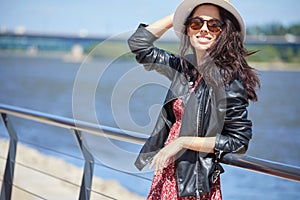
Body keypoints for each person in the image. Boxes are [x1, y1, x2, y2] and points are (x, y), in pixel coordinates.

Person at [127, 0, 260, 199]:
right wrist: (178, 16)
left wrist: (183, 142)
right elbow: (139, 44)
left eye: (213, 25)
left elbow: (239, 141)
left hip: (193, 184)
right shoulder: (185, 68)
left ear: (224, 32)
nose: (204, 29)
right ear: (188, 30)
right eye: (196, 23)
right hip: (167, 175)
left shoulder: (228, 81)